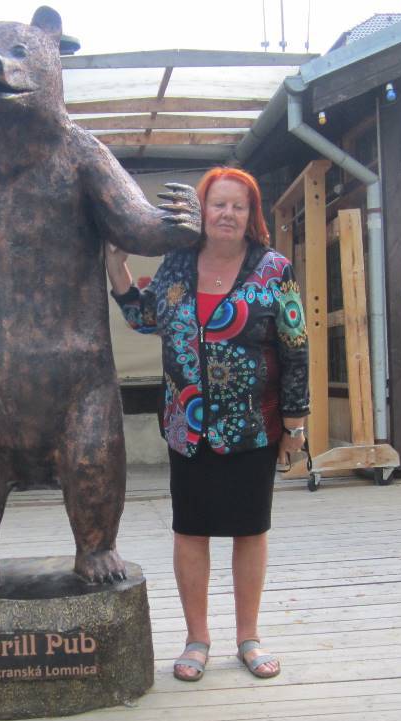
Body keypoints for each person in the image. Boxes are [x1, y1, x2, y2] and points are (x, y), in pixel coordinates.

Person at [105, 167, 309, 681]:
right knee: (191, 531)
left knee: (250, 530)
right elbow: (144, 318)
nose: (227, 214)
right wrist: (117, 266)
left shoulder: (274, 270)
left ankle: (248, 638)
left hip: (254, 427)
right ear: (201, 209)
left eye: (239, 206)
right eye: (218, 204)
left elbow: (295, 348)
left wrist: (295, 424)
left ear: (251, 214)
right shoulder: (176, 264)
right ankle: (196, 640)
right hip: (188, 425)